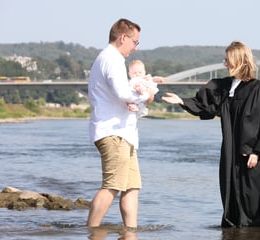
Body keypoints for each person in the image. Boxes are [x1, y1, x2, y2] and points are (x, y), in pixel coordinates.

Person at [162, 41, 260, 228]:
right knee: (234, 192)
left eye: (227, 60)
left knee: (254, 197)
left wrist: (257, 152)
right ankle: (236, 230)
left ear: (238, 61)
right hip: (232, 154)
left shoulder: (256, 88)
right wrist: (182, 101)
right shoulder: (226, 87)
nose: (224, 63)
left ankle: (258, 232)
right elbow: (207, 106)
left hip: (253, 156)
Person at [87, 18, 155, 228]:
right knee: (113, 186)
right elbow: (122, 92)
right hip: (112, 132)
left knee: (132, 186)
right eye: (135, 42)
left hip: (124, 134)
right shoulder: (111, 58)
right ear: (123, 37)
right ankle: (92, 231)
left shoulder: (112, 59)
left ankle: (130, 232)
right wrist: (147, 95)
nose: (135, 48)